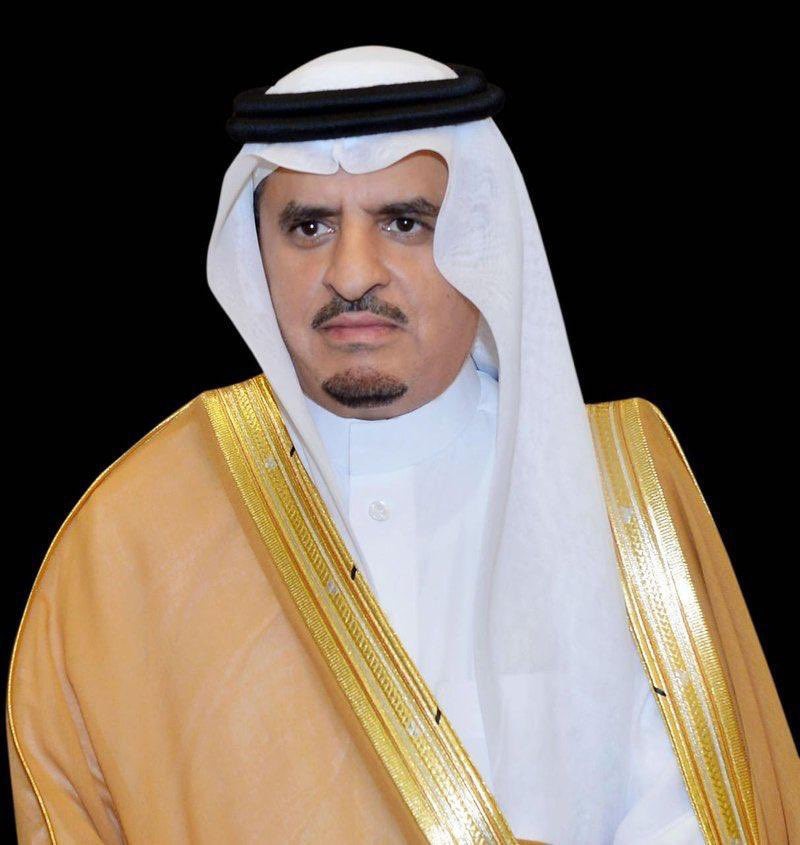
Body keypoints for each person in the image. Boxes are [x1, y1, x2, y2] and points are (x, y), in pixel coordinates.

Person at [6, 46, 797, 845]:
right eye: (309, 226)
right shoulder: (137, 533)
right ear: (258, 251)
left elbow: (701, 811)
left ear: (480, 239)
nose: (353, 273)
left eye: (404, 223)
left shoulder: (616, 494)